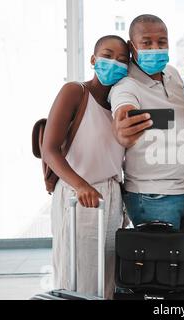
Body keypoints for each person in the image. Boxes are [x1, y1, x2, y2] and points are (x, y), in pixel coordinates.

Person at [42, 35, 130, 299]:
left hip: (111, 199)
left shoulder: (120, 107)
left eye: (122, 60)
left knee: (106, 278)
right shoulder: (75, 92)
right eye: (107, 55)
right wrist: (81, 186)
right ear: (93, 59)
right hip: (78, 196)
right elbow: (50, 149)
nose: (114, 62)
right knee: (76, 275)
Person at [110, 15, 184, 233]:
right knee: (161, 268)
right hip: (153, 198)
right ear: (132, 47)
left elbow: (179, 120)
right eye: (146, 42)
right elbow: (124, 115)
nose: (155, 48)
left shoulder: (172, 74)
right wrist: (123, 127)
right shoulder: (126, 85)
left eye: (162, 42)